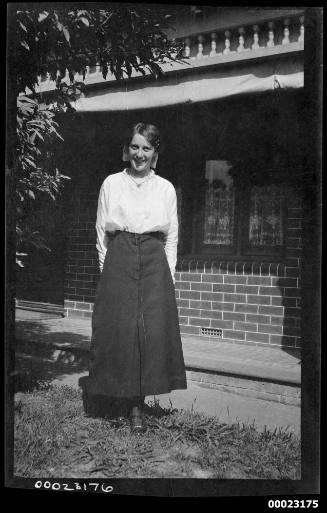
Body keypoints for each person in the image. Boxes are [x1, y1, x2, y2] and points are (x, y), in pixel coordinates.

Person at [80, 122, 187, 433]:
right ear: (127, 150)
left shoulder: (165, 188)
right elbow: (102, 232)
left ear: (155, 154)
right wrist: (107, 268)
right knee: (119, 328)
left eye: (147, 148)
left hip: (155, 257)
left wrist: (169, 273)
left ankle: (137, 405)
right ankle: (116, 397)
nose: (140, 154)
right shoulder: (111, 183)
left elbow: (173, 236)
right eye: (135, 147)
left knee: (151, 331)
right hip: (121, 254)